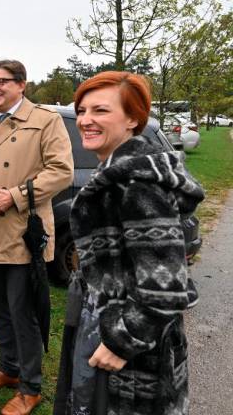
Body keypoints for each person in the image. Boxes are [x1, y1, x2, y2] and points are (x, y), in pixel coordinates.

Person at [53, 71, 204, 415]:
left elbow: (166, 288)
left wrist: (120, 343)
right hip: (106, 324)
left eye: (101, 111)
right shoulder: (116, 171)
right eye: (82, 111)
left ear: (133, 118)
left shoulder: (137, 184)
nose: (86, 120)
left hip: (135, 355)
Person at [0, 59, 73, 415]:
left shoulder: (45, 120)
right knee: (1, 310)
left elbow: (62, 171)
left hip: (24, 233)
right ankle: (9, 369)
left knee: (24, 314)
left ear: (22, 85)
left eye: (1, 82)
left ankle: (30, 387)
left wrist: (15, 196)